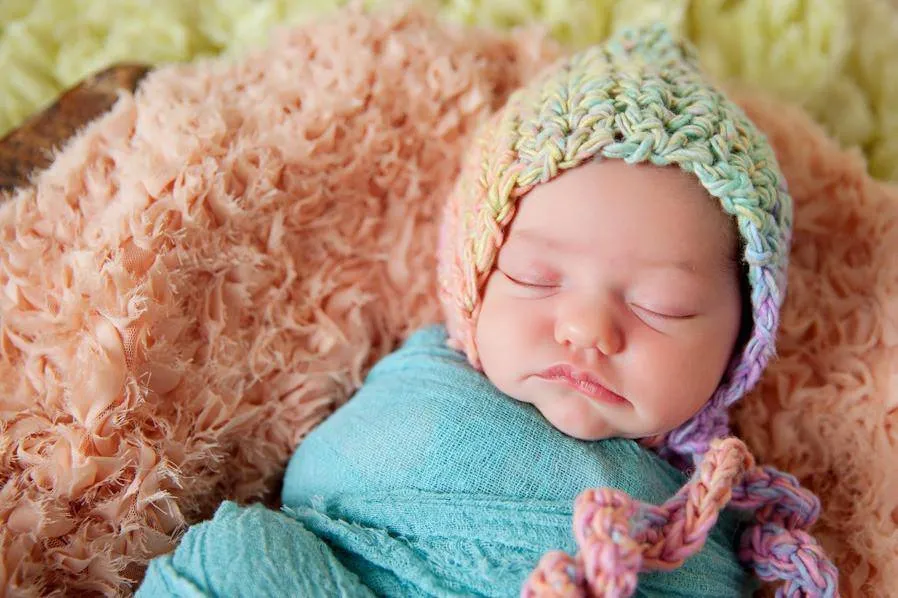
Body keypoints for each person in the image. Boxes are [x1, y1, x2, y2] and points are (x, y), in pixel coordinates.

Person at [137, 24, 838, 597]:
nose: (588, 329)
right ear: (473, 275)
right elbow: (316, 493)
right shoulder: (425, 377)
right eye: (535, 278)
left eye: (664, 305)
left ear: (745, 339)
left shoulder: (703, 511)